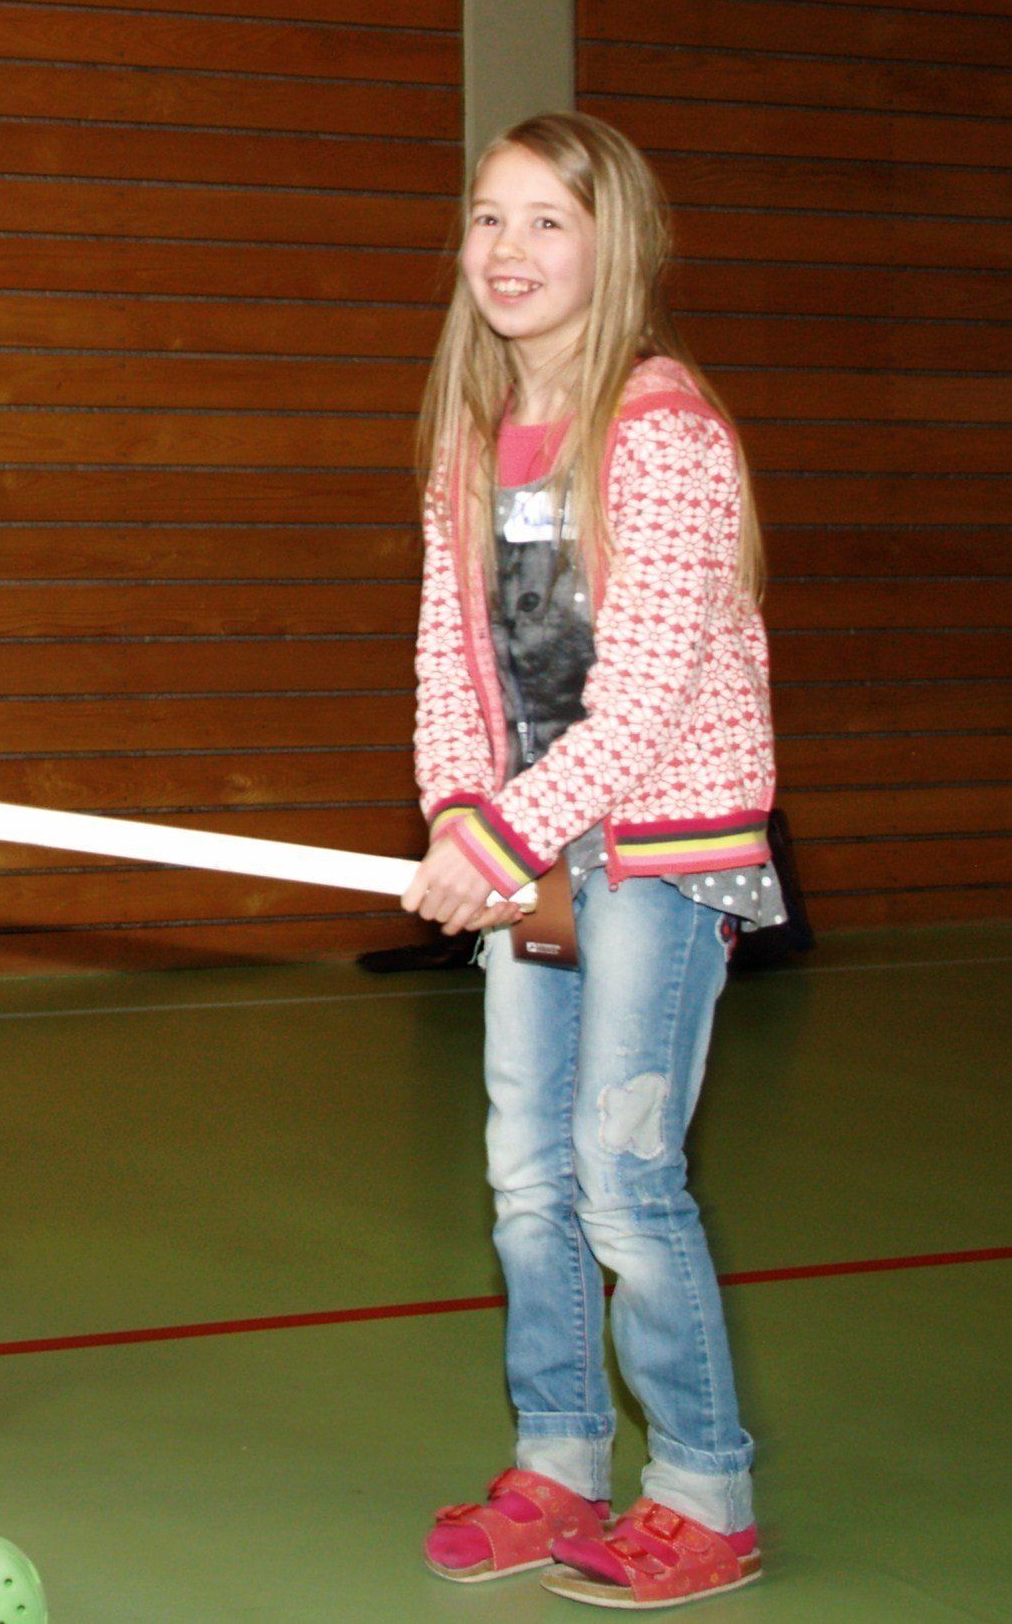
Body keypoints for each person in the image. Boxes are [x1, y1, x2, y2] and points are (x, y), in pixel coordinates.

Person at [404, 113, 778, 1610]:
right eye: (487, 218)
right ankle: (558, 1456)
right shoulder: (468, 435)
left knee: (623, 1176)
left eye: (546, 220)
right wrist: (456, 810)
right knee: (524, 1175)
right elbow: (449, 655)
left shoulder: (663, 430)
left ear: (614, 245)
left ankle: (703, 1489)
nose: (506, 249)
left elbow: (645, 699)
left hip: (660, 849)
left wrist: (499, 834)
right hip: (529, 845)